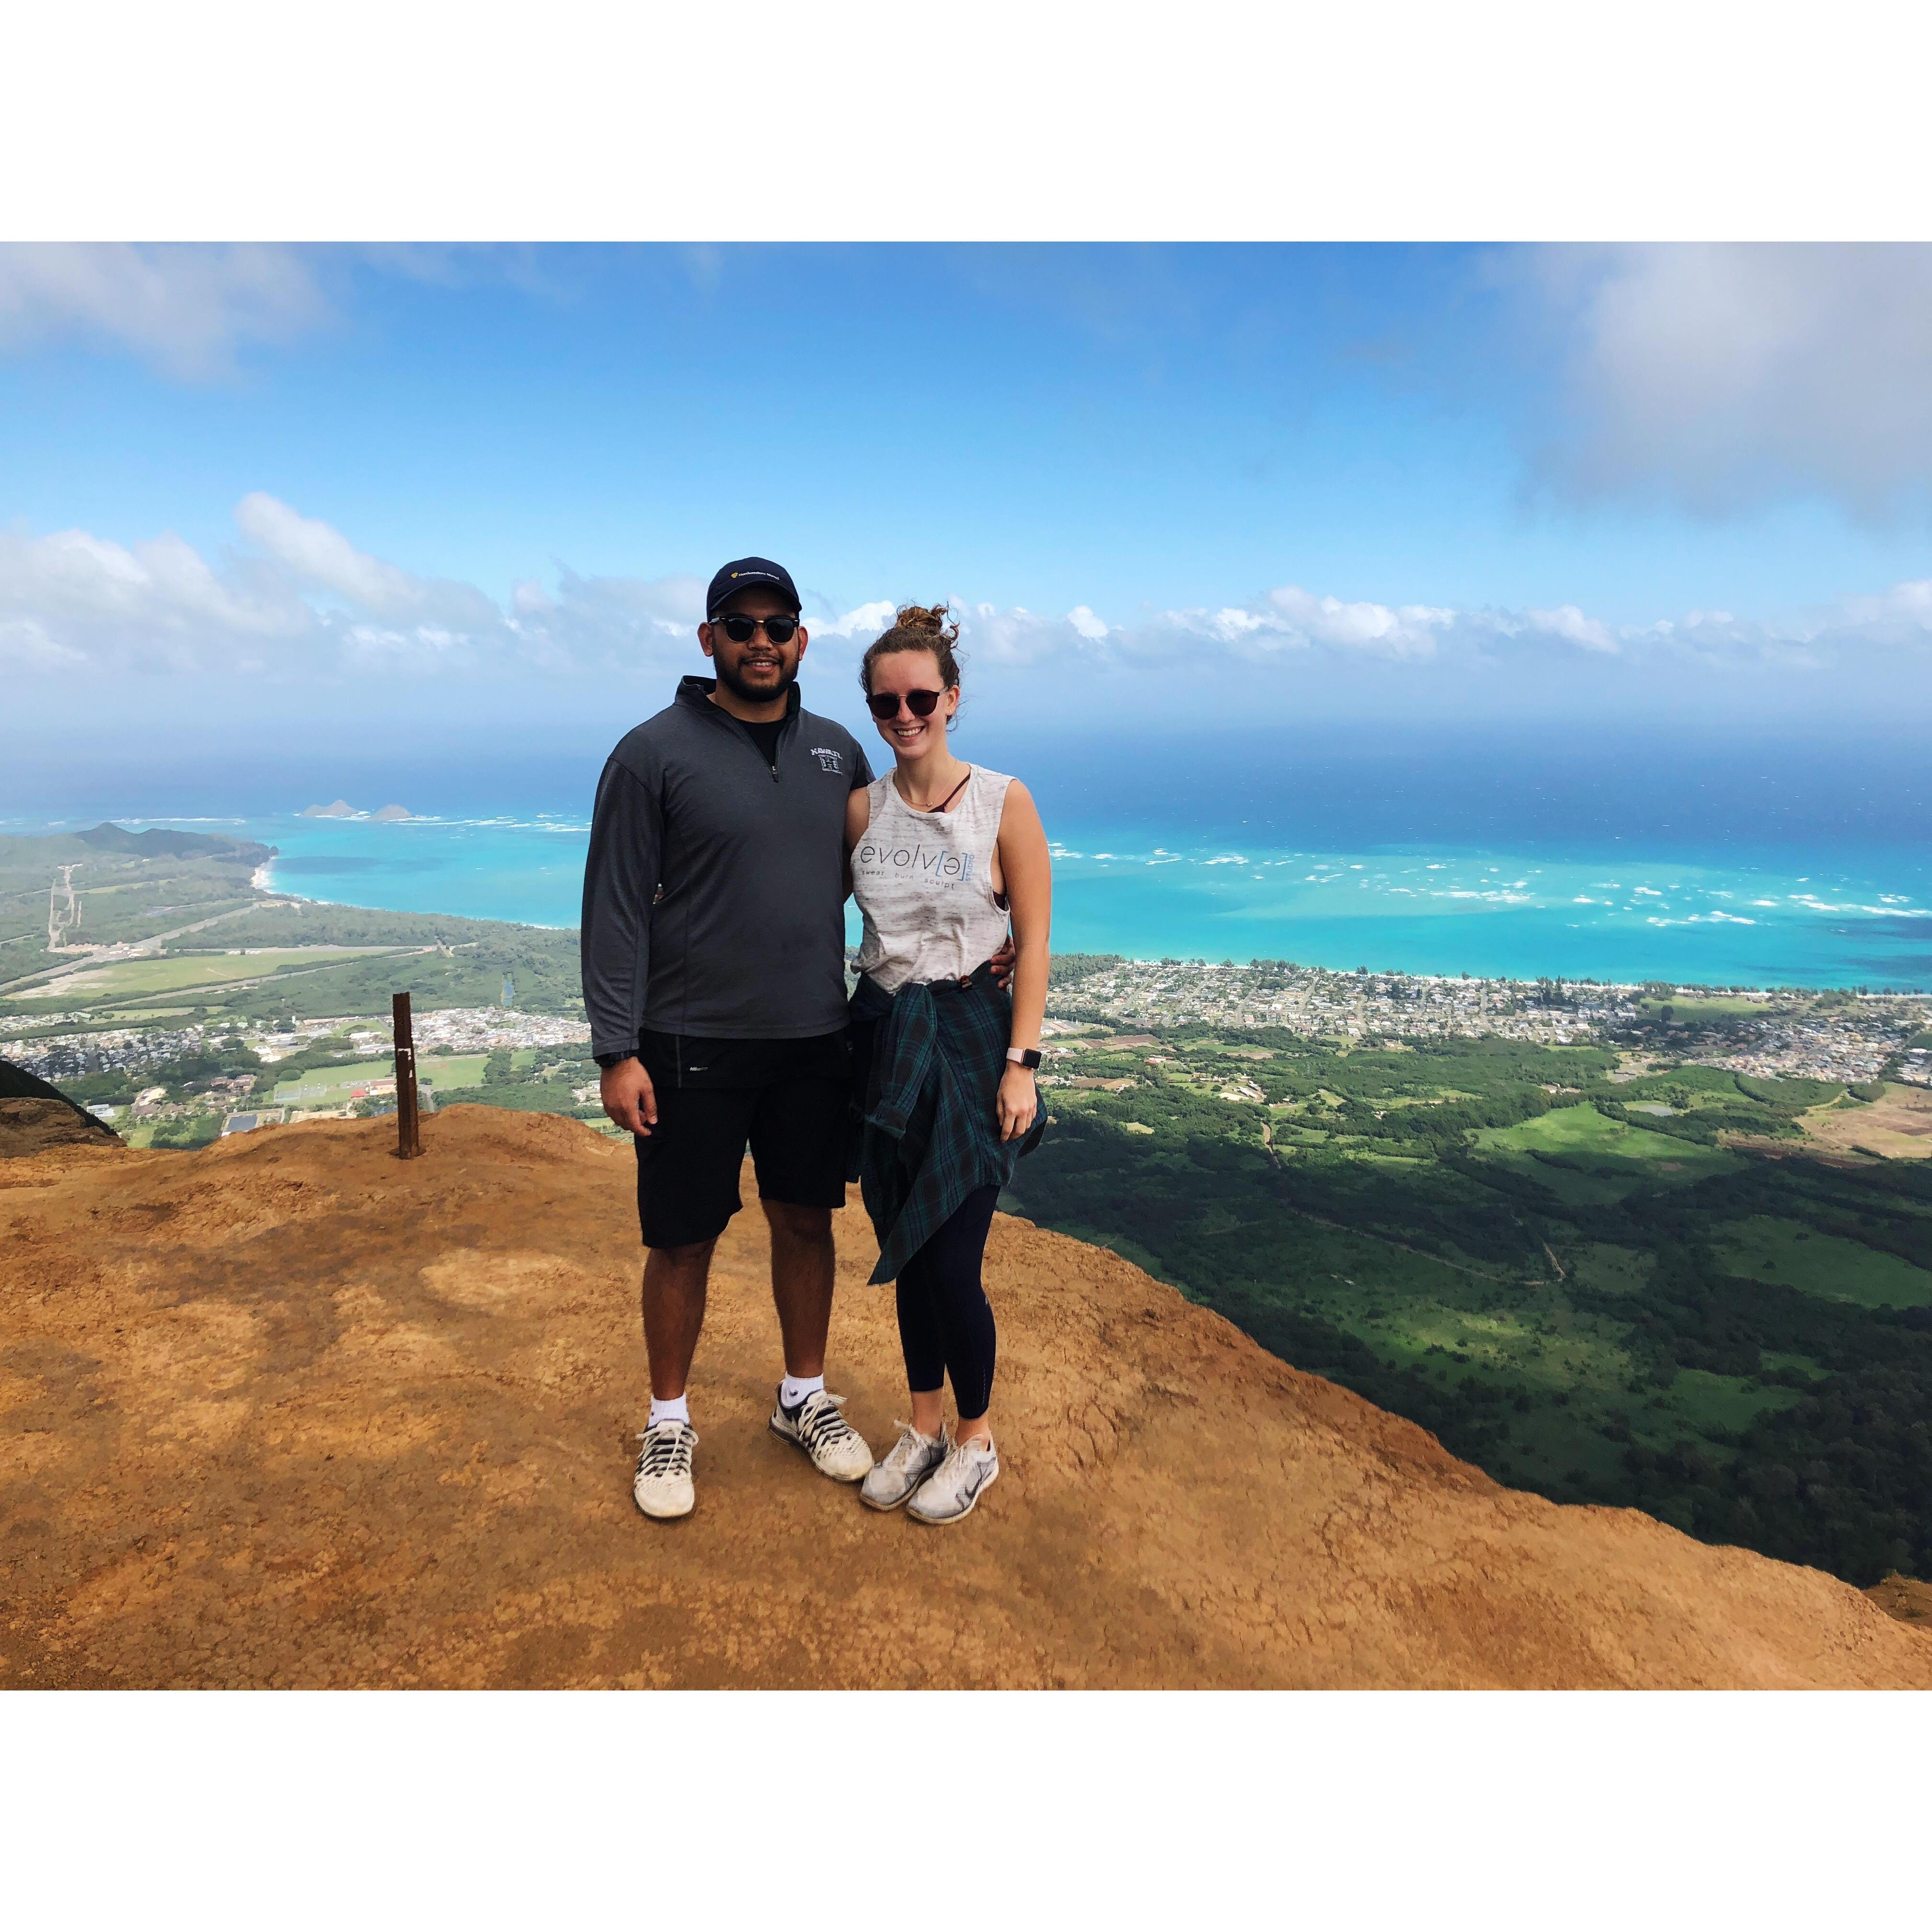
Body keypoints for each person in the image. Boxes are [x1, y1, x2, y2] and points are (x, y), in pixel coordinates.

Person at [580, 556, 880, 1520]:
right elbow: (615, 907)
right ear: (707, 638)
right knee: (682, 1240)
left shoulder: (839, 749)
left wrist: (987, 944)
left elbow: (879, 879)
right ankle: (668, 1420)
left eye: (776, 624)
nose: (760, 641)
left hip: (811, 1035)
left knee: (806, 1219)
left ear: (802, 639)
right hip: (684, 1041)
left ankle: (803, 1399)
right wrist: (614, 1049)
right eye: (739, 625)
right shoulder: (650, 752)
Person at [845, 603, 1052, 1525]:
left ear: (952, 699)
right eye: (886, 700)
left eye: (921, 696)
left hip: (969, 1041)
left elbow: (1036, 940)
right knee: (907, 1242)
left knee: (952, 1261)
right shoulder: (862, 807)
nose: (904, 713)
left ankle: (975, 1441)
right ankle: (923, 1426)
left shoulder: (1003, 800)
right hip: (885, 1038)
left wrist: (1023, 1062)